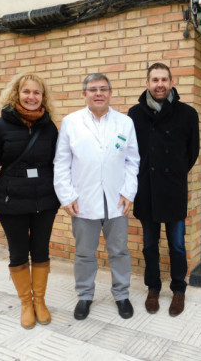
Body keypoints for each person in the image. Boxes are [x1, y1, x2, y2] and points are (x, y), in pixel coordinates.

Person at [53, 73, 140, 320]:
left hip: (117, 201)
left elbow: (133, 161)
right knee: (83, 253)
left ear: (111, 93)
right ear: (85, 94)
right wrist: (66, 196)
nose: (98, 93)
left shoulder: (125, 123)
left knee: (120, 251)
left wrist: (128, 192)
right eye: (93, 89)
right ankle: (84, 296)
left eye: (103, 89)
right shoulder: (71, 122)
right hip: (83, 202)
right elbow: (61, 162)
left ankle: (122, 295)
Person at [0, 73, 61, 330]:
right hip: (11, 201)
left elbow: (58, 165)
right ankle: (26, 302)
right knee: (17, 252)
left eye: (37, 92)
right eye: (27, 92)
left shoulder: (50, 127)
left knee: (41, 250)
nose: (32, 97)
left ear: (43, 96)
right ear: (16, 94)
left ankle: (40, 301)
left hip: (45, 201)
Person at [128, 63, 199, 317]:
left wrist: (176, 172)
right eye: (155, 79)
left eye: (164, 79)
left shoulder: (187, 114)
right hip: (146, 189)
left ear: (171, 82)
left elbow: (192, 153)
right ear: (147, 83)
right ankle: (153, 288)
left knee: (177, 245)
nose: (159, 84)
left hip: (173, 189)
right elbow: (130, 153)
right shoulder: (134, 114)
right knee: (149, 245)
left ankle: (179, 289)